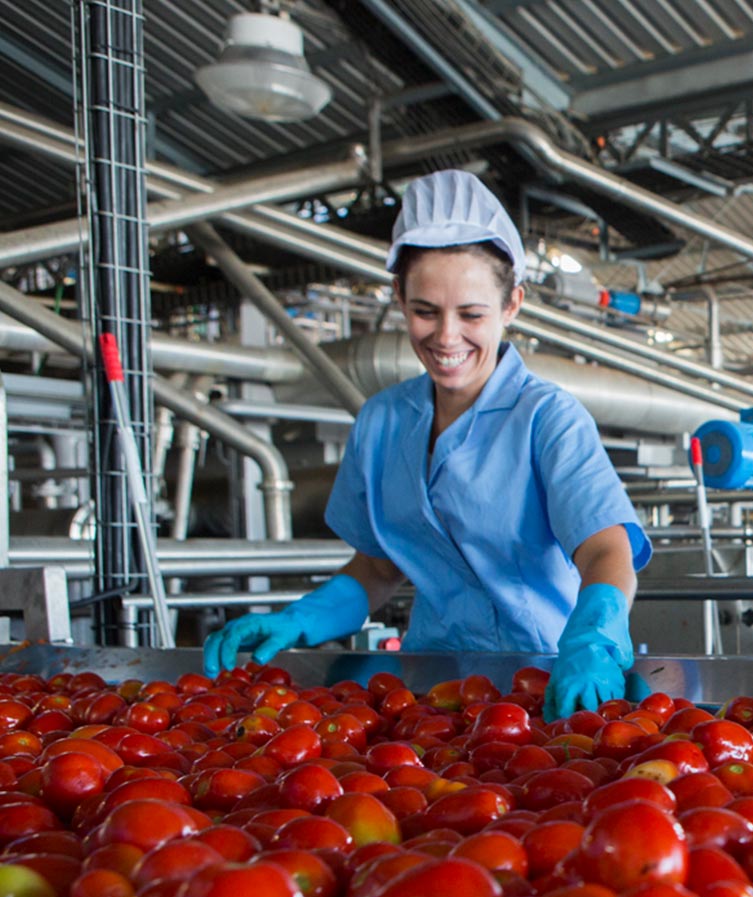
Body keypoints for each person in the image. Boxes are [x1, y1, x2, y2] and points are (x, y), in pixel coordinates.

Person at [203, 170, 650, 719]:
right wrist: (302, 617)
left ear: (512, 304)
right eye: (424, 311)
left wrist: (595, 640)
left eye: (471, 314)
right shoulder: (382, 421)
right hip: (432, 690)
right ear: (398, 298)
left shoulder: (547, 418)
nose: (445, 337)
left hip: (553, 686)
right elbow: (378, 567)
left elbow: (606, 550)